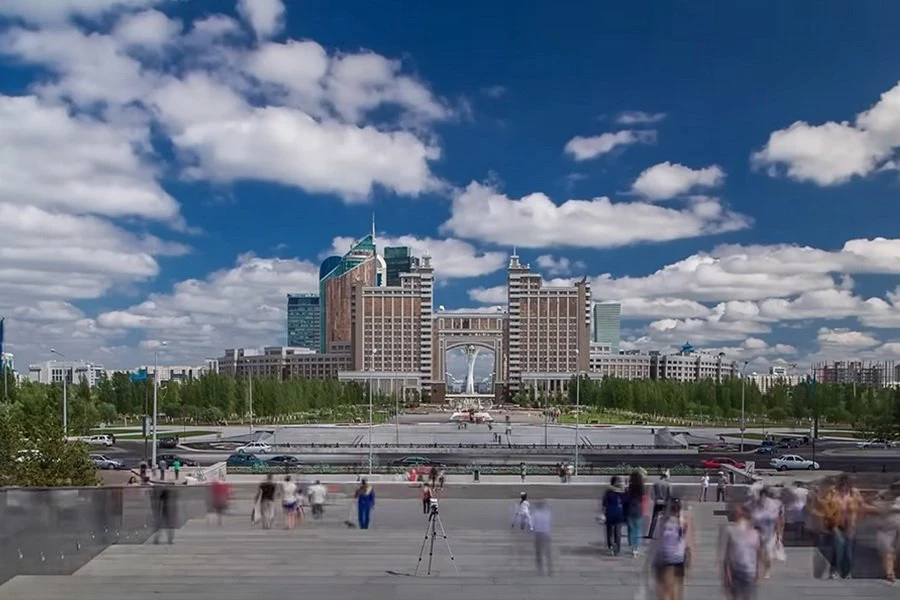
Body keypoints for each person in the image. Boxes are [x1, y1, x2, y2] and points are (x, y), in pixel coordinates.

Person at [653, 498, 693, 600]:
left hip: (666, 558)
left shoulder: (663, 521)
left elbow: (658, 540)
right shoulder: (684, 521)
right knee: (676, 590)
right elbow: (688, 542)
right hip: (679, 558)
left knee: (665, 590)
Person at [721, 504, 763, 600]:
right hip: (736, 571)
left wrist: (759, 570)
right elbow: (727, 554)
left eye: (739, 514)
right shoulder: (731, 531)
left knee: (747, 597)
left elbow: (758, 553)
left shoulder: (755, 533)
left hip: (749, 572)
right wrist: (727, 572)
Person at [748, 486, 783, 580]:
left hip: (769, 533)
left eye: (765, 495)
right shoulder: (754, 504)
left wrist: (779, 534)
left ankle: (767, 570)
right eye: (762, 495)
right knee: (757, 553)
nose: (763, 498)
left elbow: (778, 520)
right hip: (756, 532)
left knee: (767, 551)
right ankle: (757, 571)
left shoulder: (774, 505)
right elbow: (750, 518)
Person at [603, 476, 626, 556]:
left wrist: (604, 512)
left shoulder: (608, 492)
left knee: (610, 531)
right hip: (619, 513)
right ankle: (617, 548)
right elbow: (625, 503)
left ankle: (611, 546)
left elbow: (605, 503)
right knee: (617, 531)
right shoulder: (623, 492)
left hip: (610, 513)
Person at [624, 471, 645, 557]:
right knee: (637, 528)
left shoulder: (630, 488)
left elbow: (626, 498)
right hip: (638, 509)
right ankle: (635, 548)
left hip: (630, 509)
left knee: (631, 528)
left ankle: (631, 544)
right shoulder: (641, 488)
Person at [648, 471, 672, 538]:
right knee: (665, 518)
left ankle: (650, 534)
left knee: (654, 518)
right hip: (665, 503)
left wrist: (654, 500)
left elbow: (652, 493)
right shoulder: (667, 484)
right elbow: (669, 495)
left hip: (657, 502)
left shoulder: (656, 484)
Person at [531, 500, 552, 576]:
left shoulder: (535, 513)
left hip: (538, 534)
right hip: (546, 534)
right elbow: (548, 507)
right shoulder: (547, 513)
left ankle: (540, 569)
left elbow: (532, 524)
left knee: (538, 553)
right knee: (547, 552)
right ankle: (550, 569)